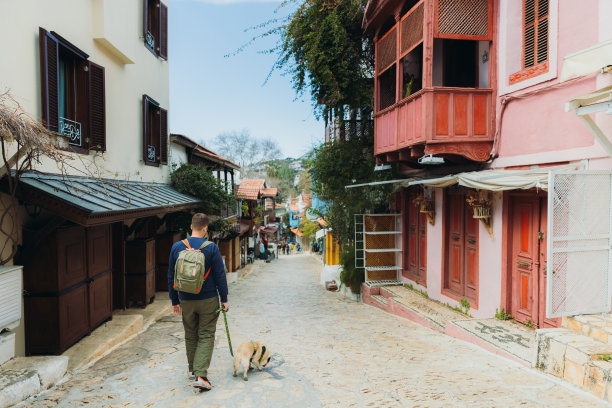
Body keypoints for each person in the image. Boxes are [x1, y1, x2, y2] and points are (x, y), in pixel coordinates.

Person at [168, 213, 228, 391]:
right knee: (206, 334)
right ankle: (201, 375)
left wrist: (174, 301)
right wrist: (224, 298)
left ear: (191, 226)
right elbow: (219, 275)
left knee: (190, 333)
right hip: (208, 298)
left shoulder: (177, 247)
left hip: (185, 299)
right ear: (205, 228)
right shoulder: (211, 248)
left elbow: (171, 275)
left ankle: (192, 369)